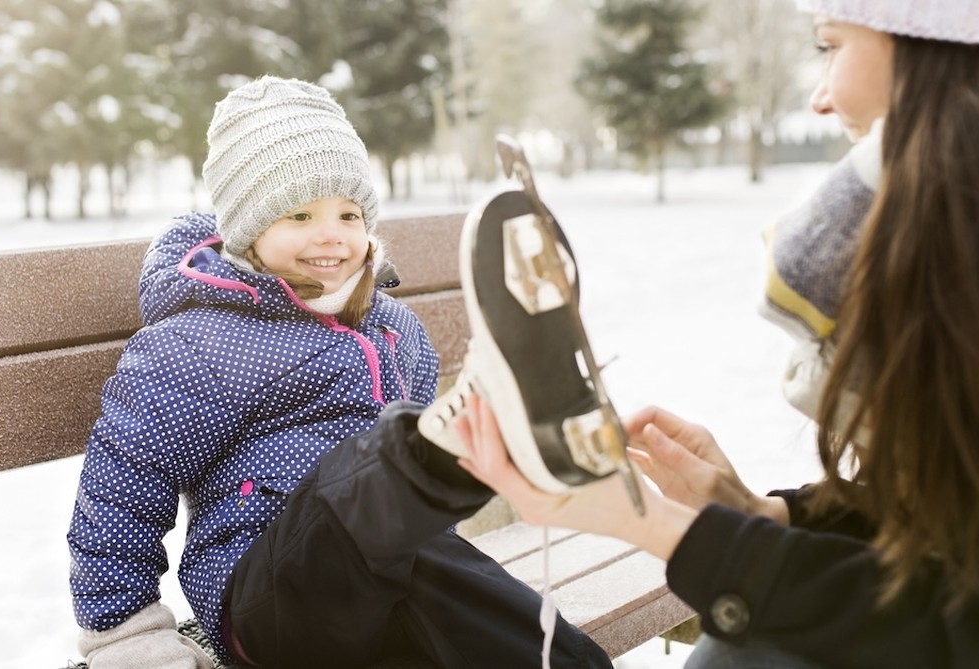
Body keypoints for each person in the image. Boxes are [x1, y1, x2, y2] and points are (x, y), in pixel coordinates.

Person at [437, 1, 979, 667]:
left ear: (945, 41)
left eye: (830, 46)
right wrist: (764, 513)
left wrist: (659, 526)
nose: (821, 97)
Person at [67, 76, 612, 668]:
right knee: (374, 474)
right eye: (299, 214)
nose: (331, 234)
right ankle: (446, 433)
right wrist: (123, 631)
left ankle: (492, 418)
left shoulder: (395, 330)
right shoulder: (198, 344)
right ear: (249, 230)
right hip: (270, 598)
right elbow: (123, 483)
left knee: (538, 646)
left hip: (402, 576)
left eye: (349, 214)